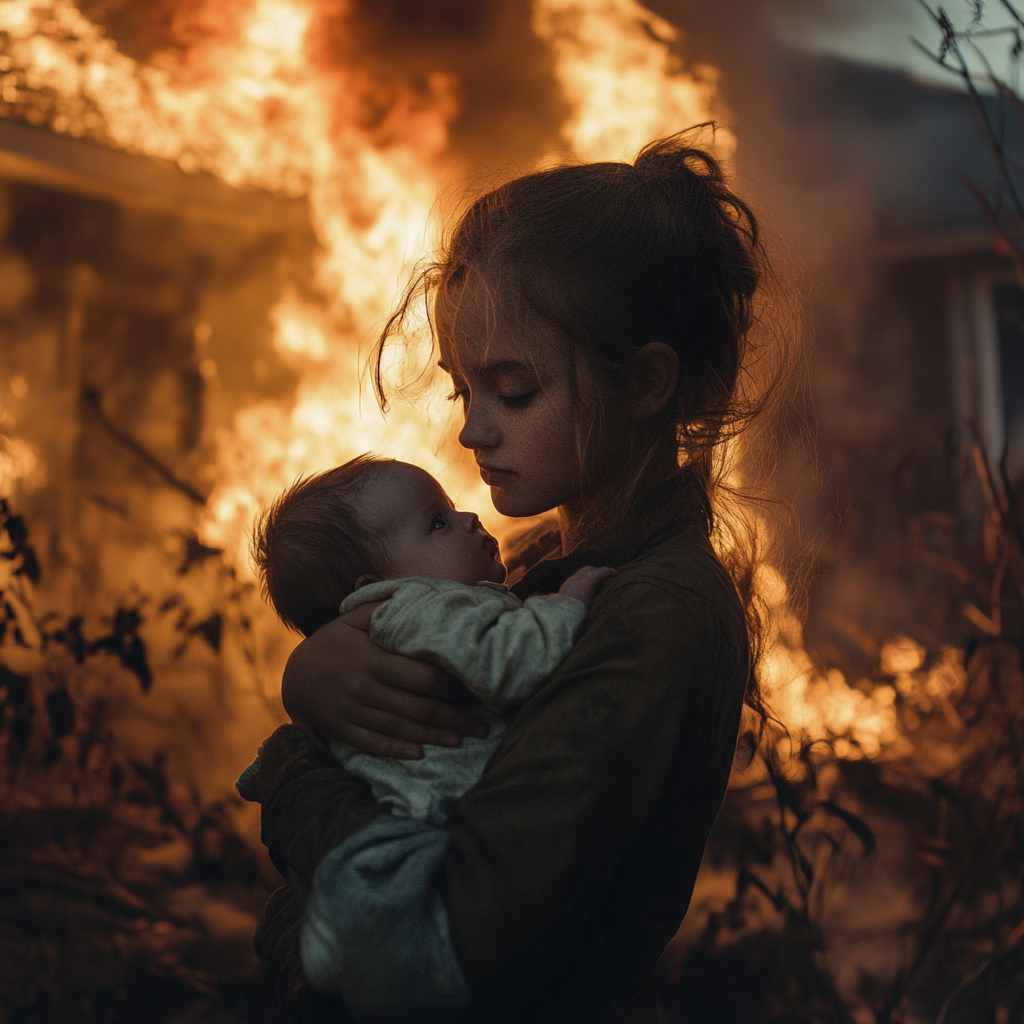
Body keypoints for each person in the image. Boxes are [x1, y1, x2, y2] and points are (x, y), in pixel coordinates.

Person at [245, 127, 790, 1023]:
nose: (472, 431)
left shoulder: (655, 616)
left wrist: (297, 781)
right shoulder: (544, 569)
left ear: (647, 383)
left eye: (516, 391)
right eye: (465, 391)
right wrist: (314, 674)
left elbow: (458, 935)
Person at [238, 455, 615, 826]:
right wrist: (565, 605)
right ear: (380, 589)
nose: (469, 519)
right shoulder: (419, 611)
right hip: (446, 816)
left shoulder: (396, 626)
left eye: (451, 509)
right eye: (438, 523)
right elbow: (515, 661)